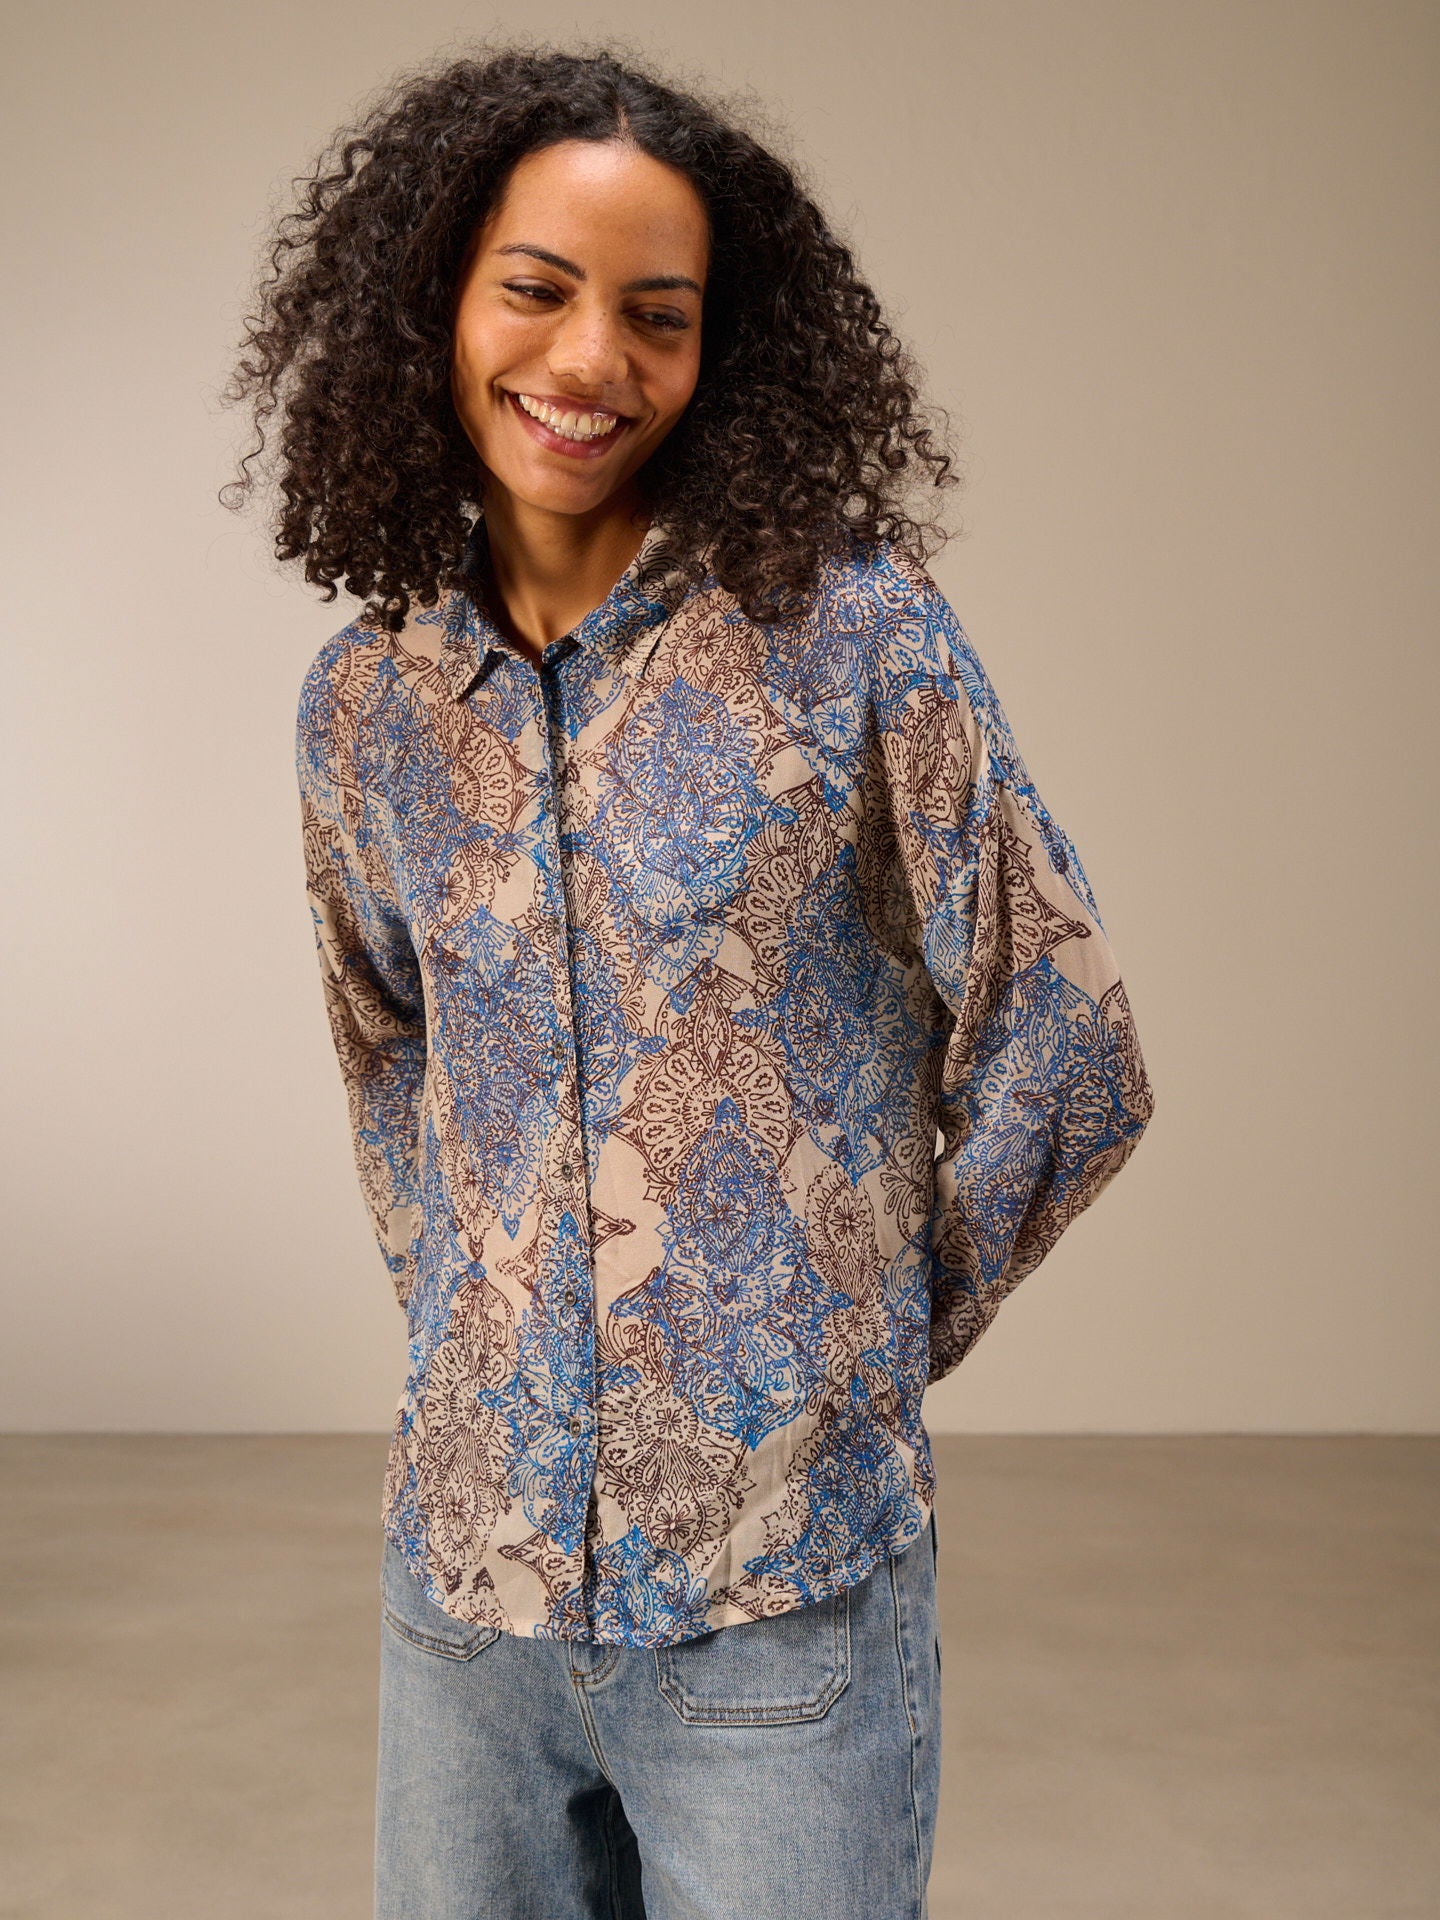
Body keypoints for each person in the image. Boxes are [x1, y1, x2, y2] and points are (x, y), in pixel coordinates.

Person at [222, 38, 1155, 1920]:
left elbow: (1068, 1042)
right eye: (536, 290)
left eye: (658, 316)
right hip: (466, 1611)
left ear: (722, 350)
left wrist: (836, 1355)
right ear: (436, 304)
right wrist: (493, 1349)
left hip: (772, 1613)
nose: (591, 362)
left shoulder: (851, 640)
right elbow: (393, 1063)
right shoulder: (367, 705)